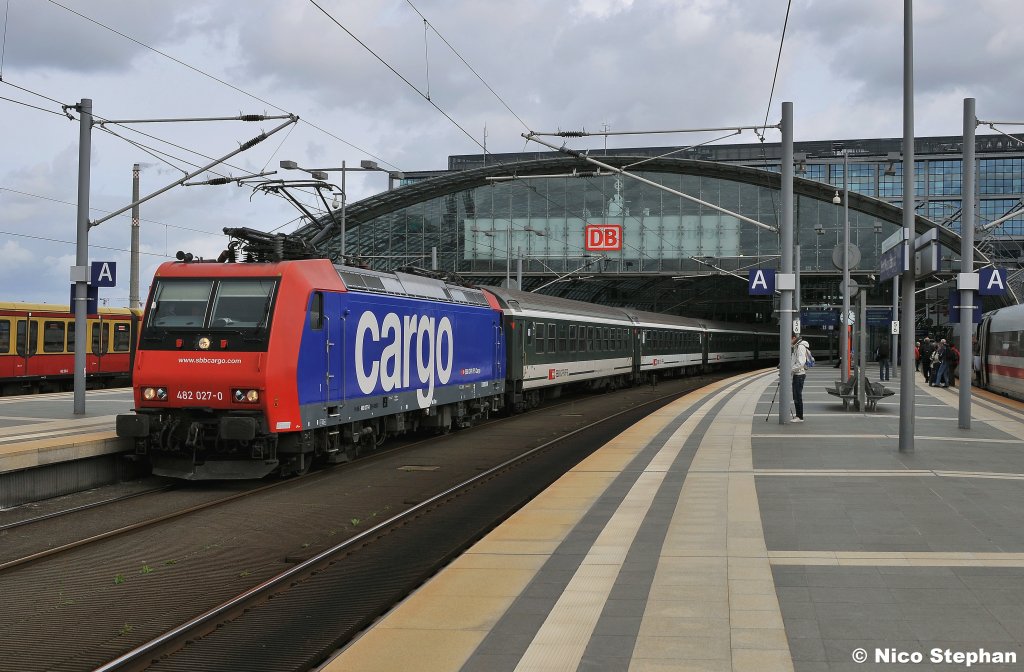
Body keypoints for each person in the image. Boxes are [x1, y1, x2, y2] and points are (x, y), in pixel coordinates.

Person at [791, 333, 809, 423]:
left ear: (794, 338)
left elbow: (801, 362)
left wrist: (790, 369)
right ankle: (798, 415)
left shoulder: (800, 347)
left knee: (797, 396)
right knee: (796, 396)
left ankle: (799, 416)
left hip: (799, 375)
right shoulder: (796, 346)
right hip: (797, 374)